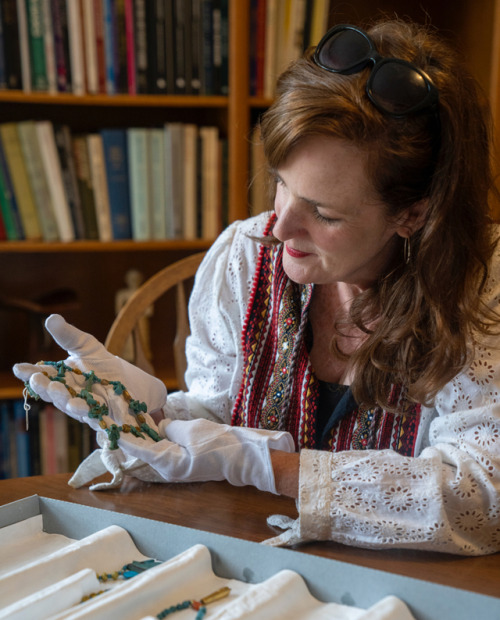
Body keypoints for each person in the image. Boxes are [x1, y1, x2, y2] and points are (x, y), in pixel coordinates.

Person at [14, 19, 500, 555]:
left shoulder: (482, 290)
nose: (279, 225)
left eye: (322, 212)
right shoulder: (244, 255)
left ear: (413, 214)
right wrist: (152, 417)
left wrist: (270, 465)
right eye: (281, 183)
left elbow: (480, 499)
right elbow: (218, 426)